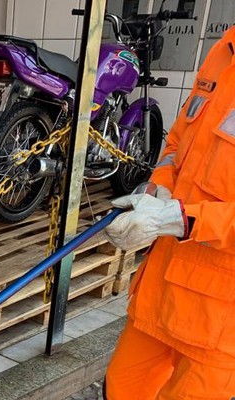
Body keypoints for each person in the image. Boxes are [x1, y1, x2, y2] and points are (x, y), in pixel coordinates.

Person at [103, 26, 235, 399]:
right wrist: (158, 188)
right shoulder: (224, 51)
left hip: (220, 324)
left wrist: (178, 219)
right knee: (119, 387)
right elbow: (177, 143)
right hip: (160, 295)